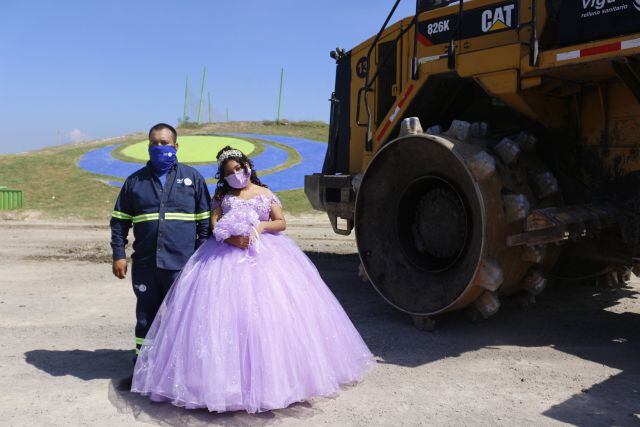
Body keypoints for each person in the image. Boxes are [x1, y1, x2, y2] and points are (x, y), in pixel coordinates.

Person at [131, 146, 374, 413]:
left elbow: (281, 222)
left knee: (269, 317)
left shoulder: (264, 192)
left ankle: (277, 383)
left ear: (248, 166)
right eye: (229, 172)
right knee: (222, 318)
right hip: (225, 257)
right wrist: (231, 237)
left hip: (267, 256)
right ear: (223, 177)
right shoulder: (223, 195)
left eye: (239, 168)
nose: (236, 174)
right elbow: (214, 225)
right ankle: (220, 386)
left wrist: (260, 226)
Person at [110, 123, 211, 365]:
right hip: (145, 264)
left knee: (183, 317)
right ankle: (143, 367)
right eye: (154, 143)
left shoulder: (193, 179)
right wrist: (118, 254)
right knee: (146, 317)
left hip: (182, 265)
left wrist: (201, 258)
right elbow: (120, 221)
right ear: (148, 146)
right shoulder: (135, 182)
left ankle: (180, 368)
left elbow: (205, 223)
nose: (159, 147)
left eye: (164, 143)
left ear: (176, 146)